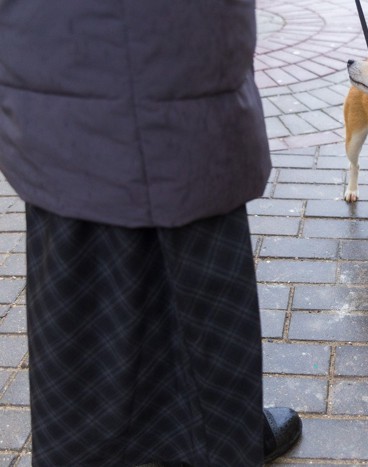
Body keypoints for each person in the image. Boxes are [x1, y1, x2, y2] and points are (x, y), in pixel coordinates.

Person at [0, 1, 301, 465]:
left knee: (84, 305)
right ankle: (224, 436)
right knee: (186, 265)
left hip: (64, 76)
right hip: (169, 72)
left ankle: (222, 431)